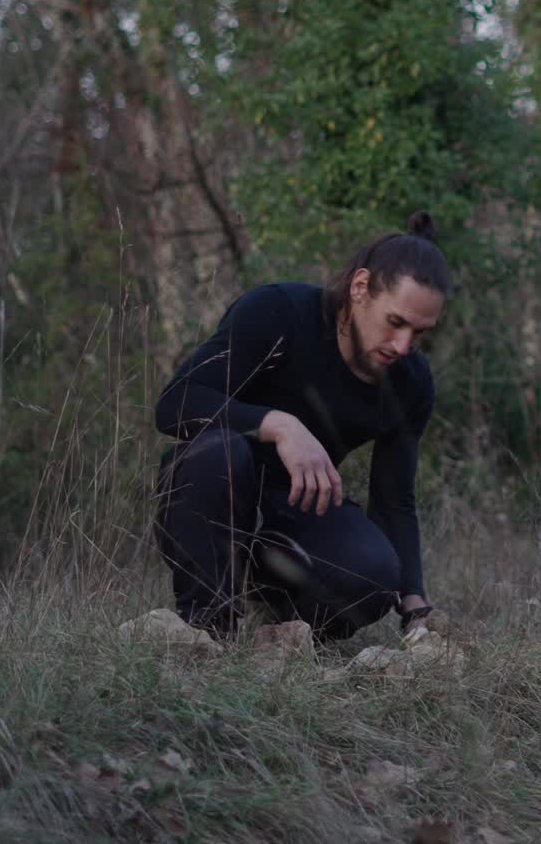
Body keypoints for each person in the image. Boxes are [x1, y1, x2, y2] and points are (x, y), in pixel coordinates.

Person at [154, 211, 449, 641]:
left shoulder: (411, 383)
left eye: (419, 333)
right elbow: (174, 403)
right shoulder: (280, 312)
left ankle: (282, 628)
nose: (404, 346)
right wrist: (277, 425)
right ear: (361, 287)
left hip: (294, 509)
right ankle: (208, 629)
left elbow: (394, 499)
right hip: (210, 485)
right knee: (222, 453)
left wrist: (414, 603)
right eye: (395, 322)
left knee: (375, 574)